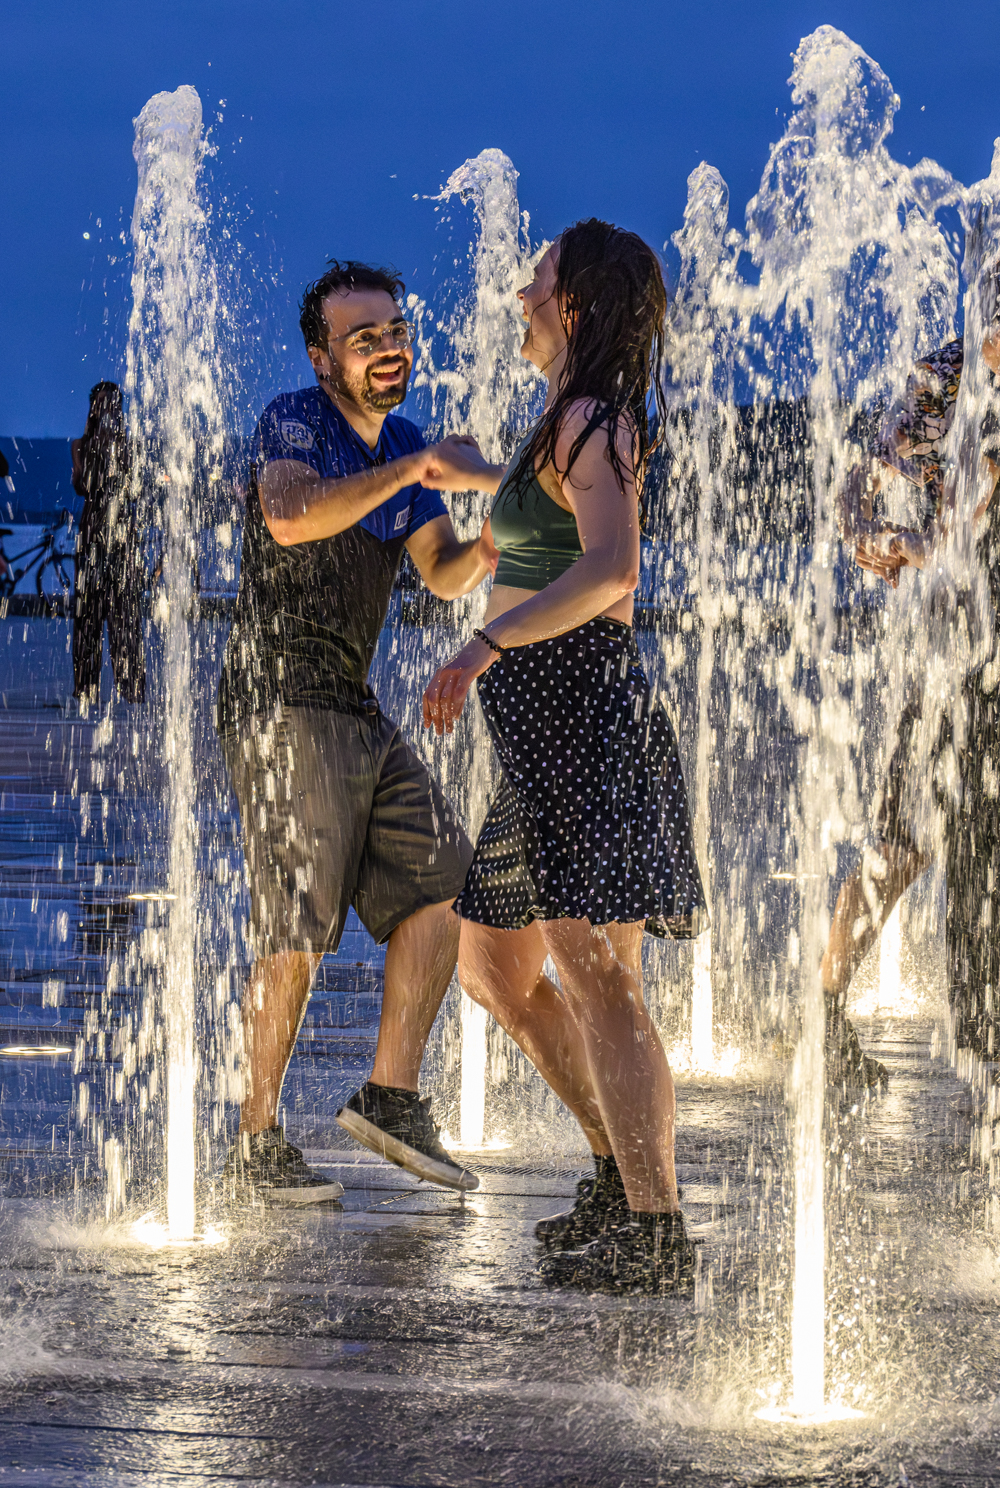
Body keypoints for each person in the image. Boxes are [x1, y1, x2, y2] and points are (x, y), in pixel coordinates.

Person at [423, 220, 708, 1294]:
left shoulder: (594, 419)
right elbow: (472, 568)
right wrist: (424, 488)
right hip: (544, 735)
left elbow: (612, 568)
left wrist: (483, 647)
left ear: (574, 304)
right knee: (496, 968)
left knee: (596, 975)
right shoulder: (559, 422)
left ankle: (654, 1227)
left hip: (584, 717)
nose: (519, 293)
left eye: (537, 279)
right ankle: (618, 1174)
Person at [216, 260, 503, 1204]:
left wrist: (501, 537)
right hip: (278, 700)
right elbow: (289, 516)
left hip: (350, 700)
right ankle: (256, 1137)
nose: (388, 349)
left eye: (395, 331)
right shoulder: (296, 421)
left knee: (448, 878)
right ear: (322, 357)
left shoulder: (405, 443)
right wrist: (414, 470)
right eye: (364, 337)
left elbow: (443, 573)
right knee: (298, 923)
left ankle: (390, 1094)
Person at [830, 316, 1000, 1077]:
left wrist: (898, 540)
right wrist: (875, 537)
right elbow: (858, 485)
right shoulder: (948, 375)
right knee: (901, 845)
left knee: (913, 846)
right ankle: (826, 1018)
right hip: (961, 654)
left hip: (959, 649)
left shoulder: (954, 376)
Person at [71, 382, 145, 704]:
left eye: (109, 404)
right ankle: (87, 688)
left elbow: (134, 488)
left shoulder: (126, 444)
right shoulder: (80, 445)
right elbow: (82, 486)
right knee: (88, 612)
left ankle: (130, 688)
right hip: (93, 530)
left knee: (124, 611)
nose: (104, 410)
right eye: (100, 404)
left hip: (120, 531)